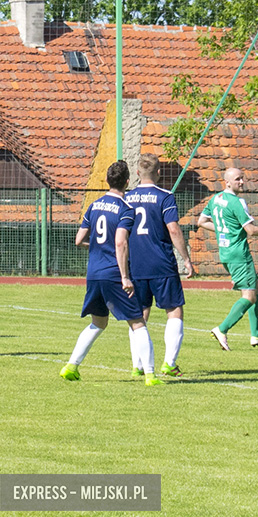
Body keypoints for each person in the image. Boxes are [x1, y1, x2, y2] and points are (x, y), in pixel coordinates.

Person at [60, 161, 162, 386]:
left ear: (108, 181)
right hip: (113, 274)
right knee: (138, 323)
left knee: (98, 322)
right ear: (127, 181)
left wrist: (97, 246)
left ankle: (71, 366)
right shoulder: (126, 209)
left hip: (94, 273)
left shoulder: (94, 205)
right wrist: (125, 277)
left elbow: (79, 240)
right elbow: (120, 243)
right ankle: (151, 375)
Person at [197, 168, 258, 351]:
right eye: (237, 179)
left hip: (226, 253)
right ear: (227, 182)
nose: (241, 182)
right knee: (249, 296)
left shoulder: (215, 199)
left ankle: (255, 335)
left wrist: (223, 230)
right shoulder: (237, 202)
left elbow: (202, 221)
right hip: (239, 254)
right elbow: (251, 231)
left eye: (242, 178)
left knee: (257, 288)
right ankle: (222, 329)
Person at [126, 154, 194, 377]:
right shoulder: (164, 196)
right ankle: (169, 363)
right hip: (161, 263)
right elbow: (173, 229)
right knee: (174, 310)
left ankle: (138, 365)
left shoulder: (127, 198)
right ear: (159, 173)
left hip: (135, 263)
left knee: (139, 314)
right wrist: (186, 258)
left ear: (137, 173)